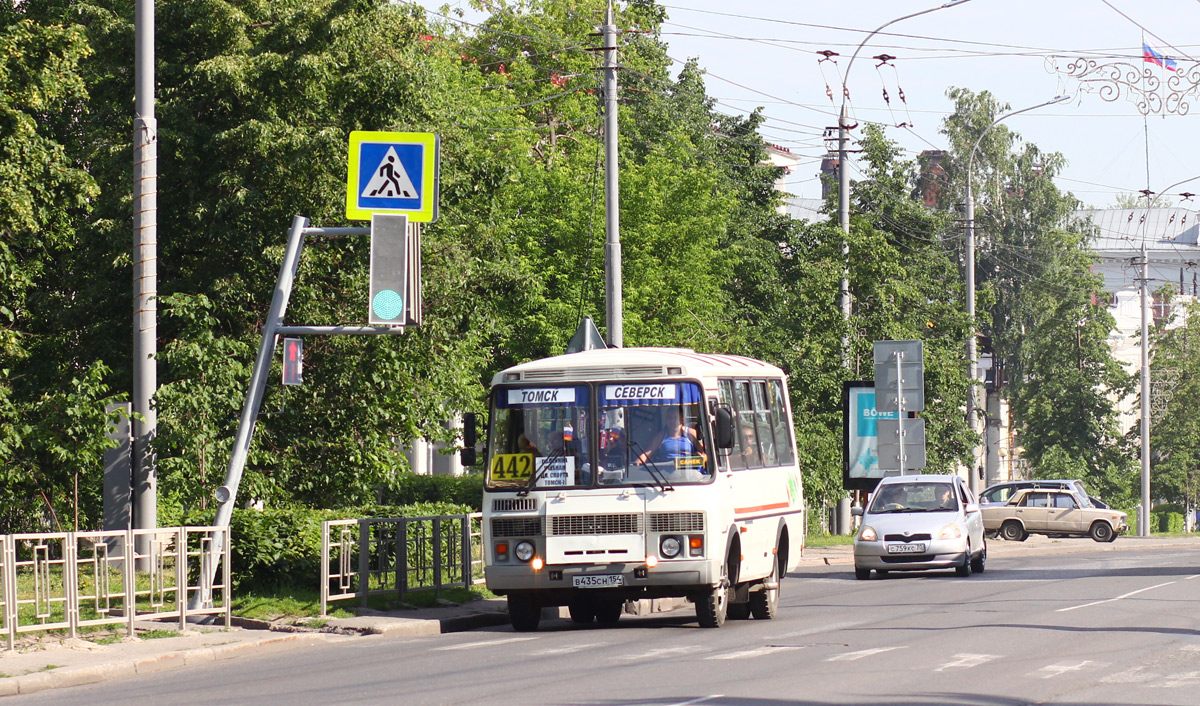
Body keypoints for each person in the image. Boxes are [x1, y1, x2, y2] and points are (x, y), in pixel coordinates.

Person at [636, 407, 705, 466]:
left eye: (675, 417)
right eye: (669, 418)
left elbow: (703, 454)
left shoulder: (690, 433)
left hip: (688, 473)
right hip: (665, 474)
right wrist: (636, 464)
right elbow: (646, 454)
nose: (672, 421)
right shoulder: (661, 436)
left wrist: (702, 457)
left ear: (682, 420)